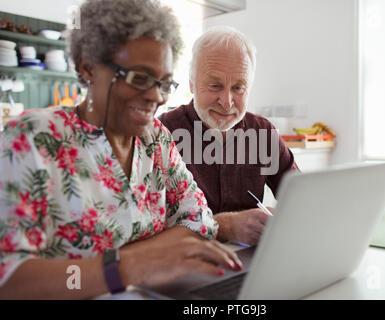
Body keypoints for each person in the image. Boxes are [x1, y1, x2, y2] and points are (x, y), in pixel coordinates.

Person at [0, 0, 242, 300]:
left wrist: (125, 265)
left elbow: (199, 221)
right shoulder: (34, 140)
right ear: (87, 68)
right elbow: (9, 279)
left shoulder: (156, 140)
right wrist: (125, 268)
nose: (156, 97)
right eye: (139, 78)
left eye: (164, 83)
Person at [159, 26, 299, 246]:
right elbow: (152, 227)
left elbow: (300, 199)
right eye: (215, 86)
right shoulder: (162, 133)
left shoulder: (263, 133)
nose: (227, 102)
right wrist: (226, 226)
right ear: (192, 85)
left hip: (251, 262)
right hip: (186, 260)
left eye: (238, 88)